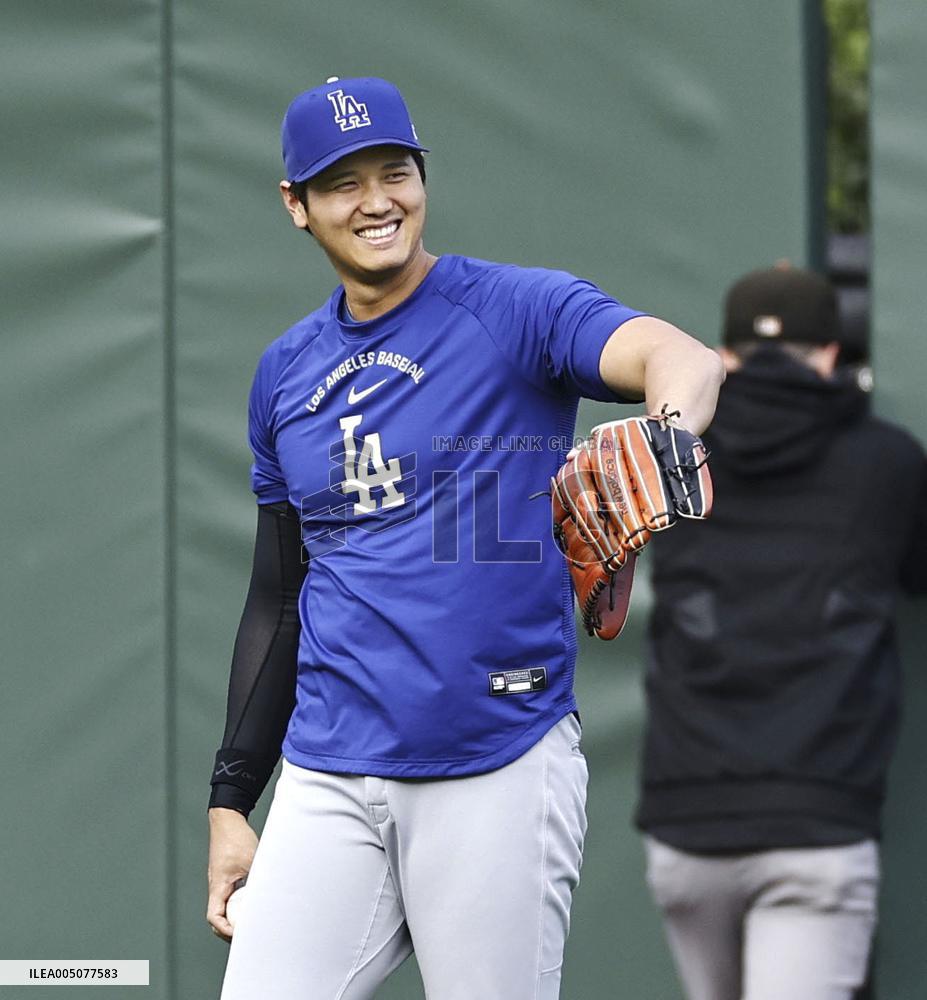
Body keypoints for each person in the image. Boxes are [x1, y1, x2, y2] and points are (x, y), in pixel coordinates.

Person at [206, 75, 724, 1000]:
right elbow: (278, 597)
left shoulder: (515, 308)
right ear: (296, 204)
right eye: (343, 183)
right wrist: (231, 800)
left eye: (394, 172)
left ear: (421, 178)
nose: (376, 201)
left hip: (494, 758)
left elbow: (677, 356)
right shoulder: (283, 372)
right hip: (328, 771)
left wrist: (667, 429)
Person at [636, 264, 927, 1000]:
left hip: (685, 823)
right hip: (816, 823)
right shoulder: (888, 462)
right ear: (829, 355)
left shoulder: (673, 464)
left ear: (723, 358)